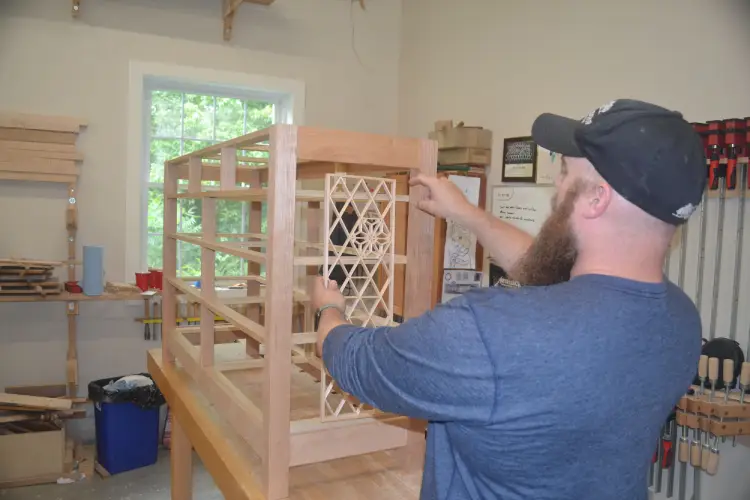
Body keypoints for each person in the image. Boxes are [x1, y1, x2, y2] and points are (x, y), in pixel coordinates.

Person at [312, 99, 705, 500]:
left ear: (596, 199)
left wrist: (329, 311)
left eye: (566, 172)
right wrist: (468, 214)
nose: (557, 182)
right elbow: (556, 275)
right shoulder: (682, 322)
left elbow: (358, 363)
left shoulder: (490, 331)